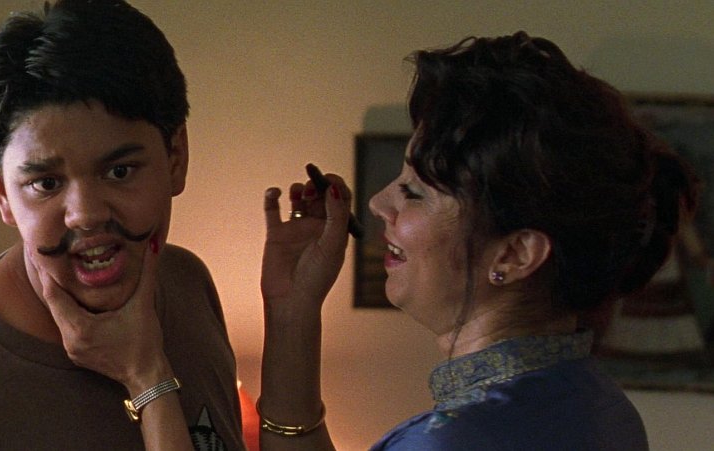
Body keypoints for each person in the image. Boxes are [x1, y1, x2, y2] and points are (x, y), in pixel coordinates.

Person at [256, 32, 697, 450]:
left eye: (414, 192)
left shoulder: (447, 441)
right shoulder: (601, 406)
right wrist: (293, 312)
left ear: (514, 254)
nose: (377, 203)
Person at [0, 1, 243, 450]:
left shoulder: (188, 284)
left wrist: (291, 321)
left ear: (176, 158)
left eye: (119, 172)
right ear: (1, 192)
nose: (85, 215)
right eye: (46, 183)